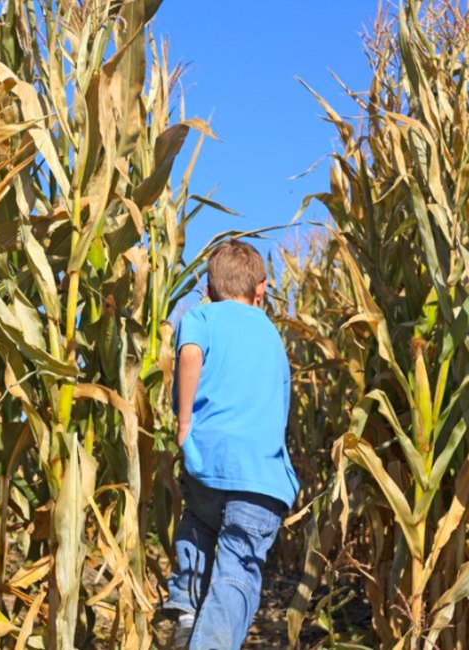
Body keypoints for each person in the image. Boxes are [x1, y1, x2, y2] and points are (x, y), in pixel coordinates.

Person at [164, 239, 299, 649]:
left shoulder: (202, 316)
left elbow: (189, 355)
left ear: (208, 288)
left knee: (198, 529)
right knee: (237, 567)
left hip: (209, 464)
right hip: (260, 479)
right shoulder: (272, 335)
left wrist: (184, 421)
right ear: (261, 291)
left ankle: (187, 610)